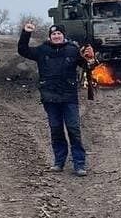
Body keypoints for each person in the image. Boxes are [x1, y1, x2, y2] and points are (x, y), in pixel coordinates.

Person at [18, 22, 95, 175]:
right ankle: (59, 162)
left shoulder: (73, 50)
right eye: (54, 34)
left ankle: (79, 164)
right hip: (50, 97)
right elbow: (23, 50)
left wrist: (90, 60)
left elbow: (87, 66)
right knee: (56, 129)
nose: (56, 36)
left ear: (63, 35)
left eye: (59, 33)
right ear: (50, 36)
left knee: (74, 129)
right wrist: (26, 33)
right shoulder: (42, 50)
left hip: (69, 97)